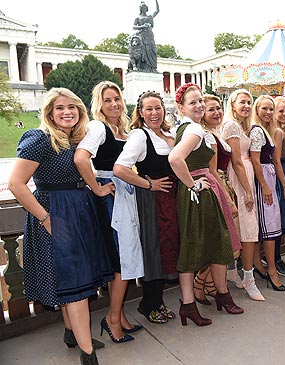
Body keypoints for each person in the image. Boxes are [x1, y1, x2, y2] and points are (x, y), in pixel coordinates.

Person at [8, 88, 113, 365]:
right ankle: (87, 353)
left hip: (78, 211)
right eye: (59, 108)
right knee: (74, 280)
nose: (67, 112)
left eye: (72, 107)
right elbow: (16, 184)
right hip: (56, 213)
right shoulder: (39, 139)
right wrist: (46, 219)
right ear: (49, 113)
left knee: (72, 278)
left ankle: (72, 334)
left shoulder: (75, 139)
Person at [169, 83, 243, 327]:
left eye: (201, 100)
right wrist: (193, 185)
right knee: (201, 244)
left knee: (211, 242)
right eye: (193, 102)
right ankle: (193, 303)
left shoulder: (185, 128)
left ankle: (214, 297)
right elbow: (175, 158)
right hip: (198, 193)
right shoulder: (194, 130)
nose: (199, 105)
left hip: (196, 192)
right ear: (181, 107)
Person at [75, 81, 141, 343]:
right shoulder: (98, 127)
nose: (114, 104)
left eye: (117, 98)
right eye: (107, 100)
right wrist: (98, 188)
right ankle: (112, 319)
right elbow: (81, 158)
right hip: (110, 195)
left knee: (123, 258)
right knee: (120, 260)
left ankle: (119, 314)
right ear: (98, 104)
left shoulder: (121, 129)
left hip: (124, 193)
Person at [113, 91, 178, 325]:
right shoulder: (140, 136)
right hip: (153, 201)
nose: (154, 113)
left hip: (172, 199)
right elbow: (120, 168)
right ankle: (148, 304)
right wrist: (149, 184)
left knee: (168, 247)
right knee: (154, 249)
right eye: (148, 109)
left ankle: (158, 301)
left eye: (158, 108)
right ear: (140, 112)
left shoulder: (169, 134)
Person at [195, 94, 243, 304]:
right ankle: (200, 282)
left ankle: (210, 285)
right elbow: (212, 171)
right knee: (228, 244)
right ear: (202, 113)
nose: (216, 112)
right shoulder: (208, 136)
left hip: (224, 185)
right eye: (210, 109)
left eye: (218, 108)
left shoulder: (216, 133)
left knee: (227, 242)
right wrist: (228, 200)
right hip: (218, 187)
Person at [221, 89, 265, 301]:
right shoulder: (231, 125)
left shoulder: (243, 127)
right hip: (239, 178)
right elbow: (237, 161)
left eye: (249, 102)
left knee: (244, 228)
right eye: (242, 102)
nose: (247, 106)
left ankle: (233, 271)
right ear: (233, 104)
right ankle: (249, 278)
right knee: (248, 229)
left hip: (246, 176)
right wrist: (248, 191)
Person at [249, 95, 285, 291]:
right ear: (257, 110)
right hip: (261, 178)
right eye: (265, 108)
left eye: (271, 109)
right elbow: (255, 160)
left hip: (267, 177)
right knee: (269, 227)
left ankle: (259, 265)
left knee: (267, 225)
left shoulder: (268, 131)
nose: (269, 112)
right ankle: (271, 270)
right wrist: (263, 185)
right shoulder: (257, 132)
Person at [269, 96, 285, 277]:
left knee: (281, 218)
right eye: (280, 111)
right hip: (279, 175)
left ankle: (275, 257)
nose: (284, 114)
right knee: (277, 217)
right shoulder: (276, 131)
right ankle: (275, 258)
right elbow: (276, 161)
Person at [132, 0, 159, 72]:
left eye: (145, 7)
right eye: (142, 8)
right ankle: (144, 68)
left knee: (153, 51)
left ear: (146, 8)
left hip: (150, 36)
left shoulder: (150, 16)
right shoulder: (138, 18)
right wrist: (142, 26)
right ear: (140, 9)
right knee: (143, 52)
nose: (144, 9)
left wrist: (156, 1)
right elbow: (134, 27)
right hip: (142, 37)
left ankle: (152, 68)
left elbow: (157, 10)